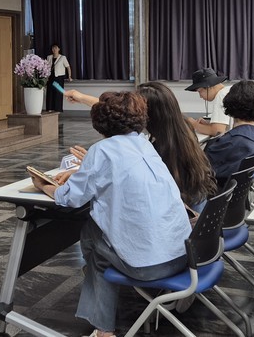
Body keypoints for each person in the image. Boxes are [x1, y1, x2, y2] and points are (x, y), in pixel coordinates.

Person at [30, 92, 190, 337]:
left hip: (147, 266)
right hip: (183, 255)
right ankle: (100, 314)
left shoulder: (102, 150)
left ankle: (104, 330)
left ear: (99, 122)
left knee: (94, 241)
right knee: (100, 245)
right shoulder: (144, 142)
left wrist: (43, 185)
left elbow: (70, 198)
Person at [65, 83, 217, 211]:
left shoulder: (158, 151)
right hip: (196, 214)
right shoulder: (181, 129)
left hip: (180, 218)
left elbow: (127, 187)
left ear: (146, 114)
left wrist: (96, 167)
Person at [204, 80, 254, 186]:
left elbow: (199, 168)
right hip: (231, 195)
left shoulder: (232, 141)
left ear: (230, 103)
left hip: (213, 194)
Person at [184, 67, 231, 137]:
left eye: (200, 91)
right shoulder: (228, 91)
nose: (200, 96)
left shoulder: (221, 96)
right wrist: (208, 125)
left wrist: (194, 124)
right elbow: (225, 126)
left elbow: (218, 131)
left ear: (209, 87)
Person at [45, 43, 72, 112]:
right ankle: (50, 108)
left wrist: (69, 76)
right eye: (53, 48)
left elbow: (68, 67)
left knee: (58, 92)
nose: (54, 50)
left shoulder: (63, 57)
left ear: (59, 49)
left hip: (59, 77)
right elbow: (46, 67)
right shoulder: (49, 57)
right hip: (50, 77)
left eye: (56, 48)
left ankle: (58, 108)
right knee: (50, 92)